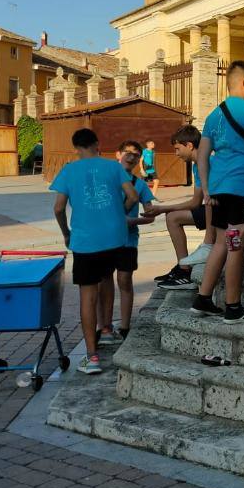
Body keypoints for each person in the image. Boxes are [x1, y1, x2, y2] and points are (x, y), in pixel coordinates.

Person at [50, 128, 138, 375]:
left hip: (85, 240)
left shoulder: (69, 170)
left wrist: (66, 232)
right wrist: (119, 213)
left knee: (88, 295)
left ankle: (92, 356)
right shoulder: (113, 167)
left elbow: (58, 208)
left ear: (76, 147)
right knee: (107, 278)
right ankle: (107, 329)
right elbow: (132, 196)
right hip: (115, 238)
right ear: (97, 144)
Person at [191, 60, 244, 324]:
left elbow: (202, 155)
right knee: (237, 244)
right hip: (241, 185)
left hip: (219, 186)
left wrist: (206, 188)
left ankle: (203, 297)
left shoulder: (214, 115)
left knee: (222, 242)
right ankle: (233, 307)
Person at [99, 140, 156, 343]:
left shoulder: (140, 184)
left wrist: (134, 221)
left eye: (135, 154)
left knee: (124, 280)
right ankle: (104, 326)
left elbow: (150, 214)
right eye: (127, 153)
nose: (131, 157)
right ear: (118, 154)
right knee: (104, 281)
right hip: (105, 239)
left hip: (128, 240)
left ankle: (124, 327)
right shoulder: (105, 180)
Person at [151, 126, 214, 290]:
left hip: (220, 209)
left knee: (173, 217)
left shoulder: (206, 161)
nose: (176, 154)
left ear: (190, 145)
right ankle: (182, 266)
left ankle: (185, 271)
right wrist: (165, 209)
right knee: (172, 216)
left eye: (178, 149)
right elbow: (196, 201)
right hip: (212, 207)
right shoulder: (197, 165)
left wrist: (162, 208)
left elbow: (194, 203)